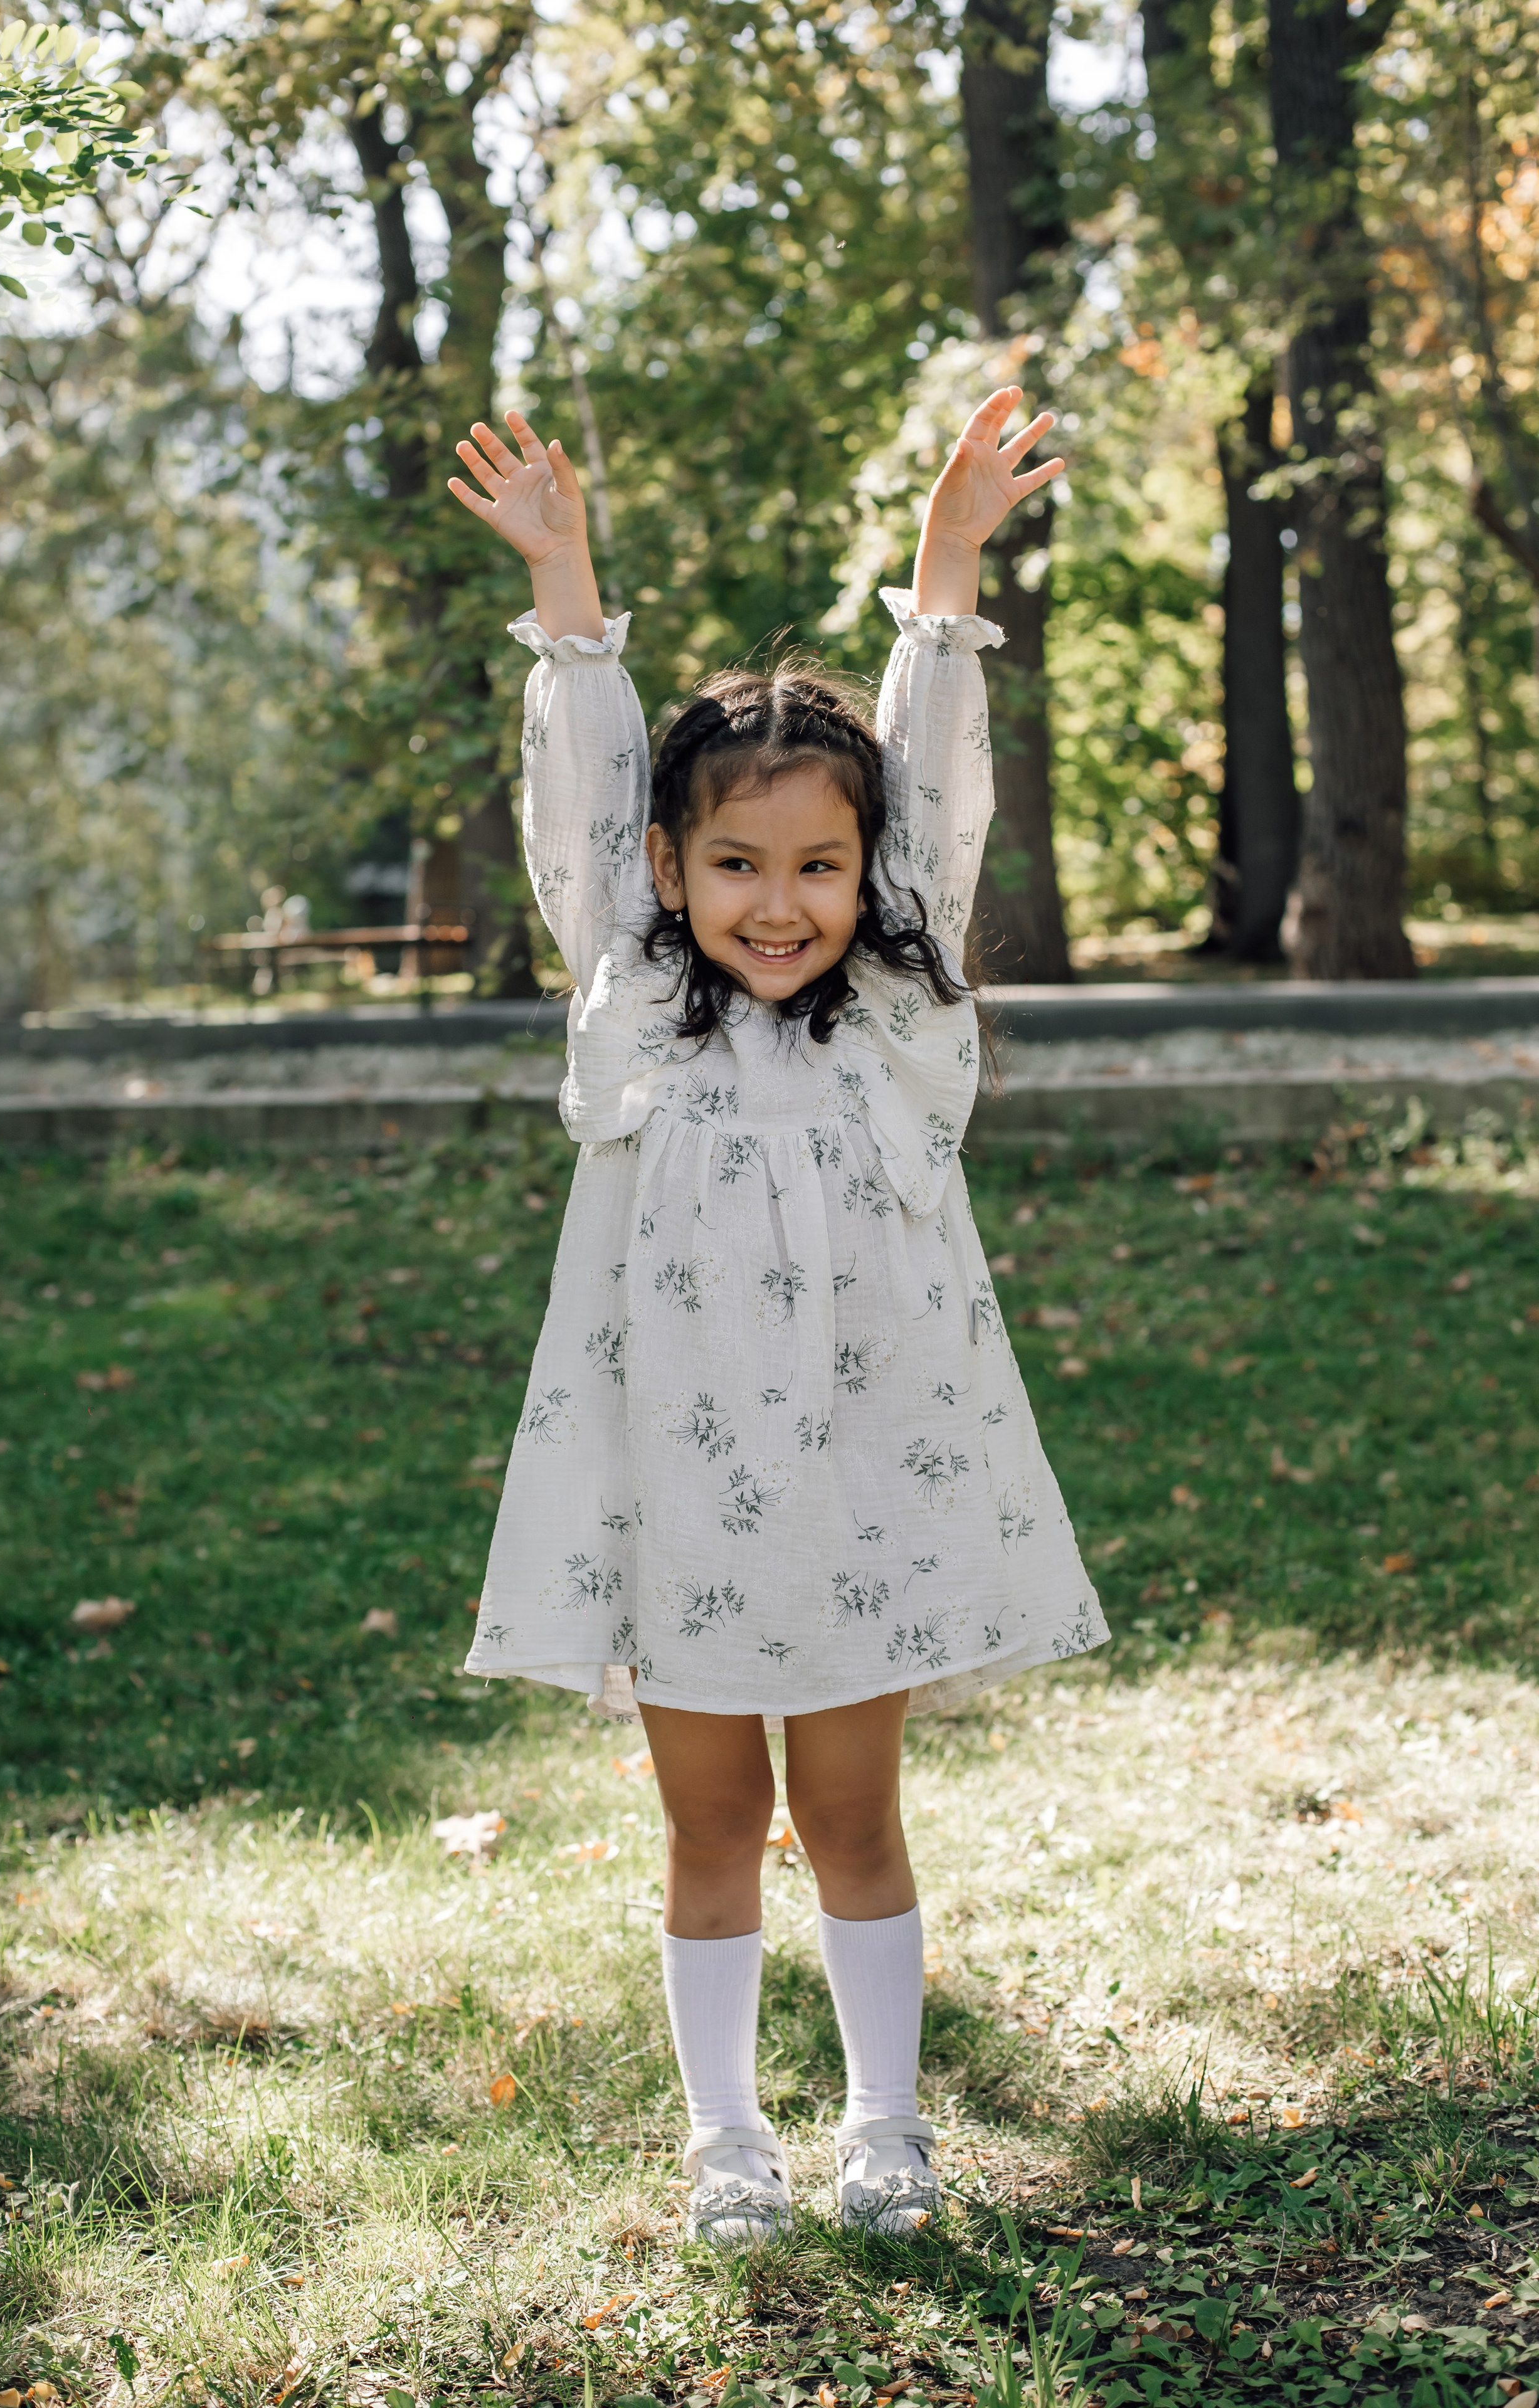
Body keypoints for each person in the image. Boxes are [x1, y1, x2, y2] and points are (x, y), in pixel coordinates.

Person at [447, 389, 1107, 2247]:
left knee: (858, 1817)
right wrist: (569, 600)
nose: (780, 900)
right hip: (672, 1494)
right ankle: (727, 2139)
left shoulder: (902, 996)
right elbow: (582, 799)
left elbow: (939, 772)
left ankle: (885, 2130)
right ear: (668, 875)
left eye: (817, 866)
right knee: (709, 1829)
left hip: (863, 1484)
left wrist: (950, 563)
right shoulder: (638, 1002)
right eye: (737, 864)